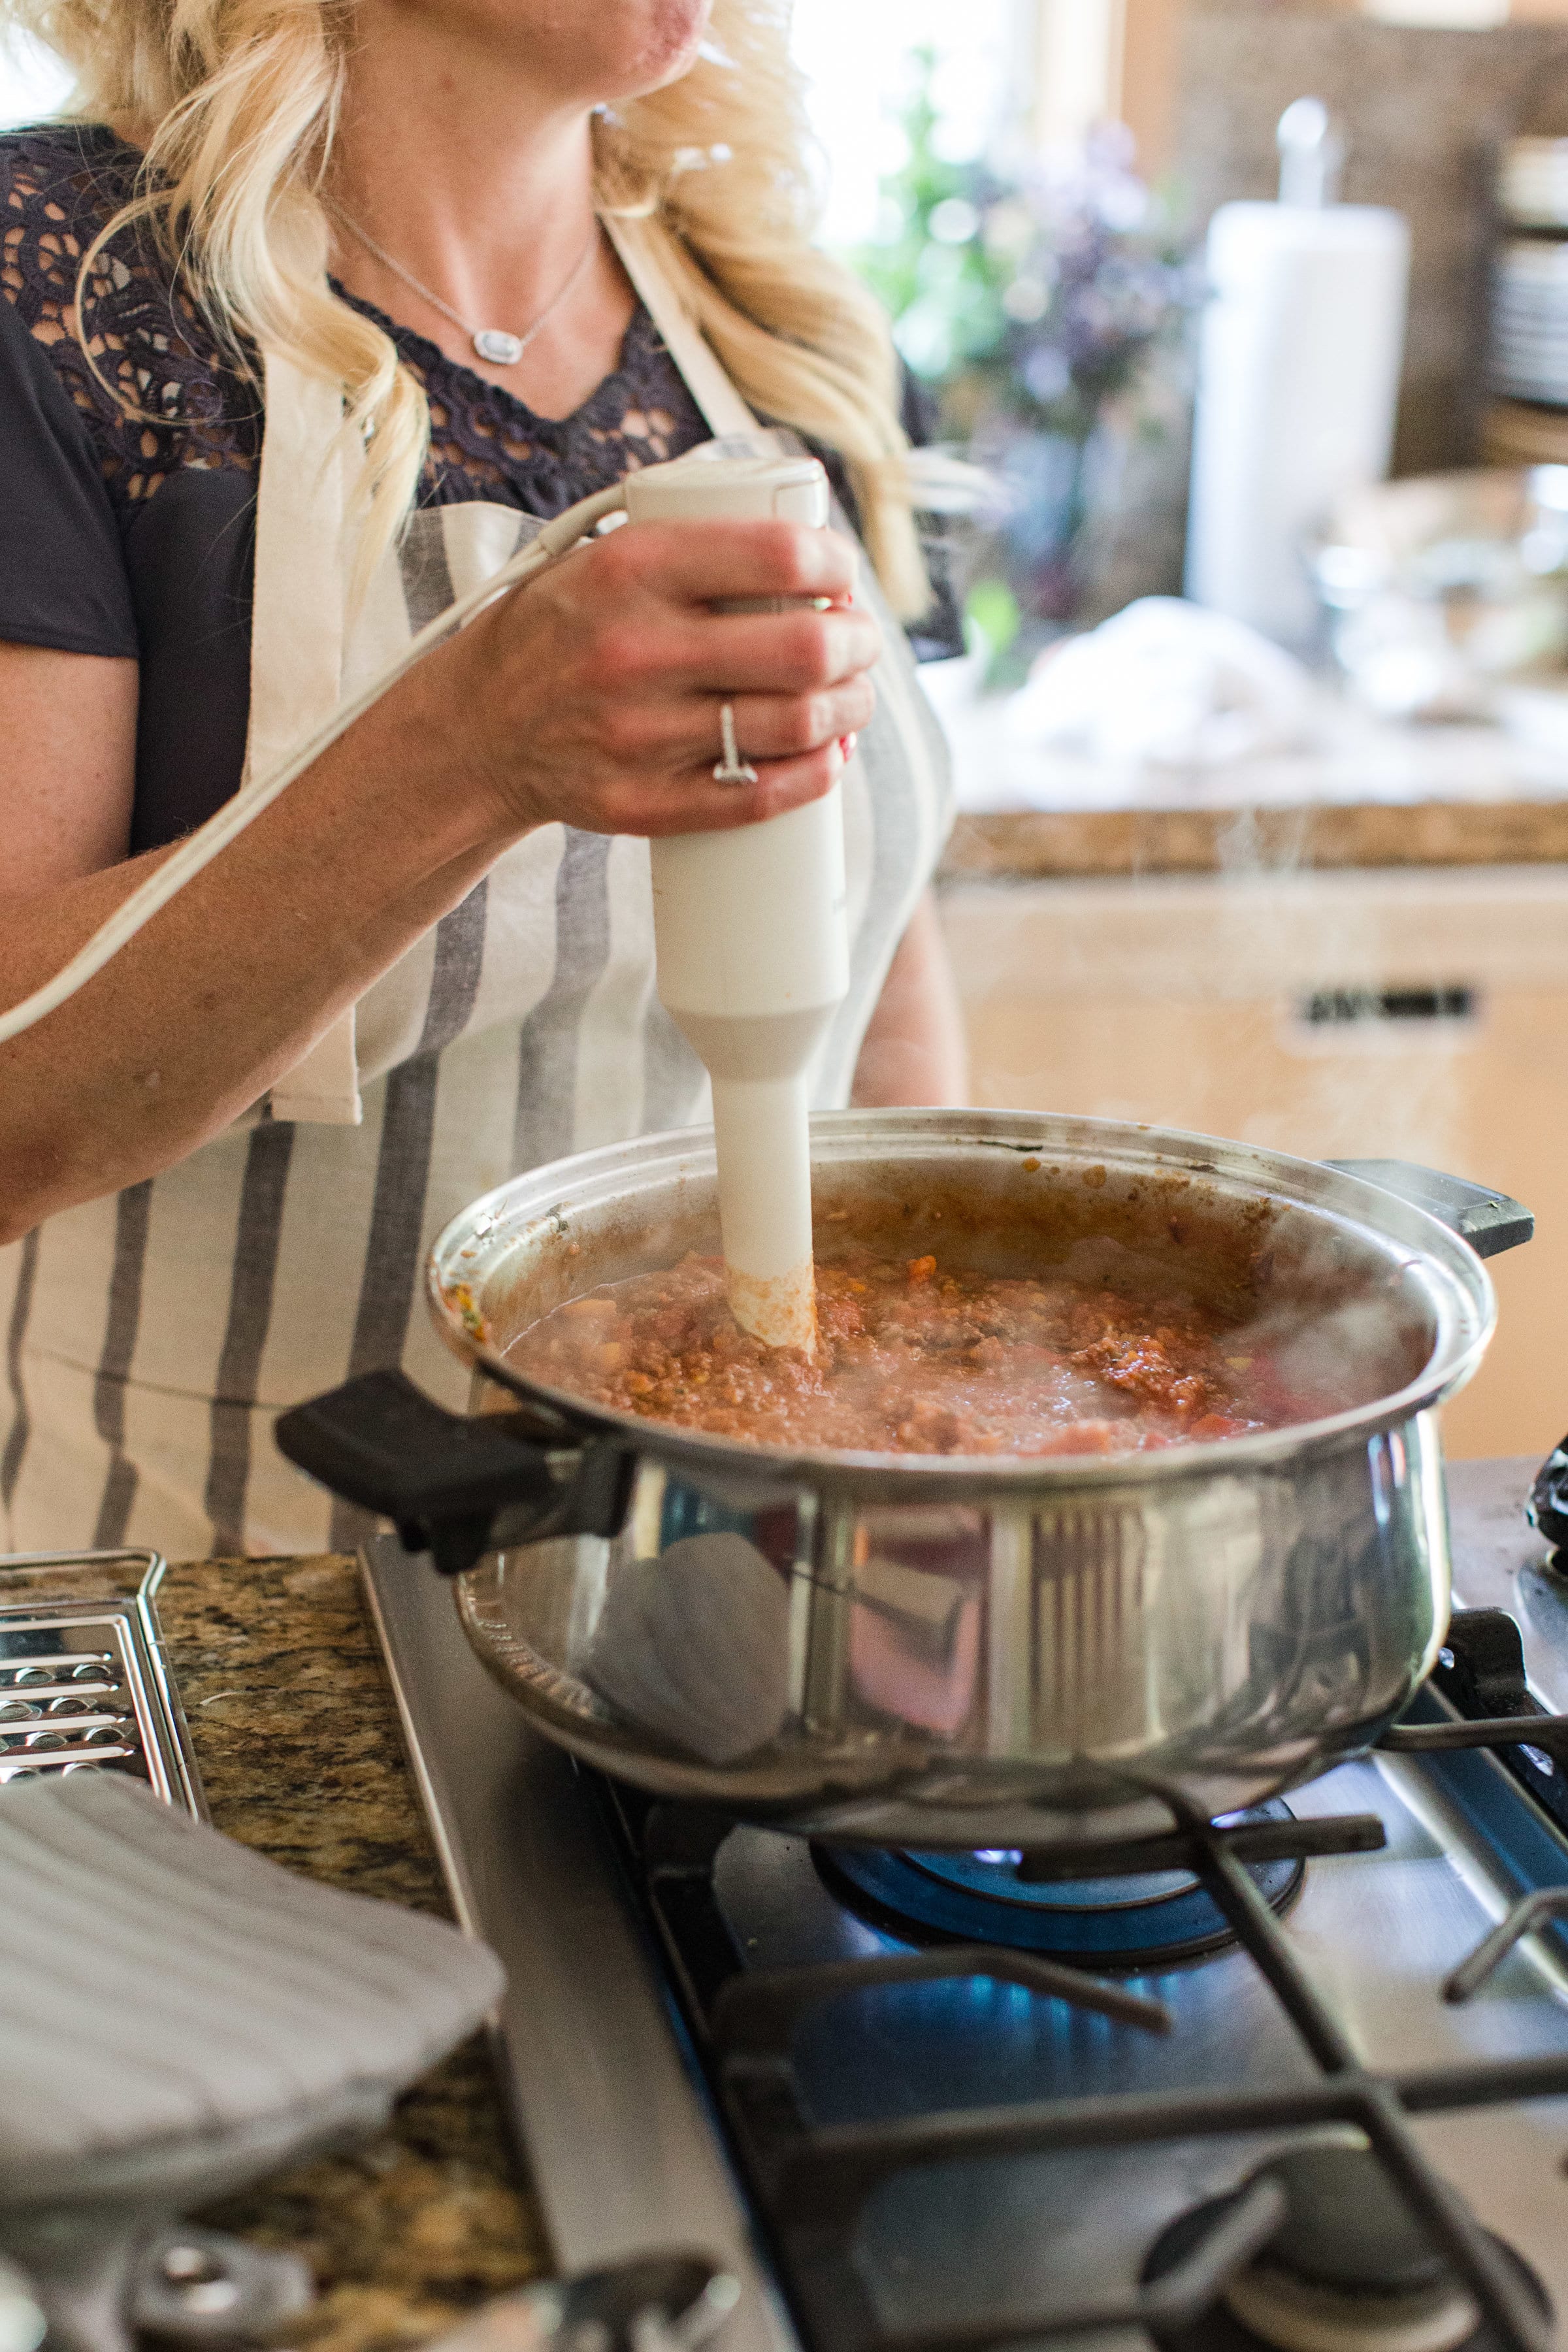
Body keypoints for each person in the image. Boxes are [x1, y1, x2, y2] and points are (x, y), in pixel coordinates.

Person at [0, 0, 968, 1556]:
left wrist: (928, 1463)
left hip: (738, 1584)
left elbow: (888, 991)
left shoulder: (778, 333)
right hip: (225, 1604)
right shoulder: (64, 296)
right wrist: (463, 748)